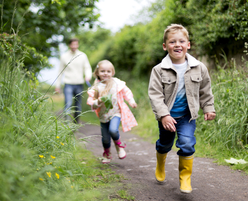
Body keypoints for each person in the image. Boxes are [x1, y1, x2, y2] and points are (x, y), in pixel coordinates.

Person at [148, 24, 216, 194]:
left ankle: (185, 178)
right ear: (165, 46)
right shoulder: (158, 70)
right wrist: (163, 115)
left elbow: (205, 90)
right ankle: (160, 164)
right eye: (172, 42)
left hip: (187, 116)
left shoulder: (199, 67)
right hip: (168, 116)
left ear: (188, 44)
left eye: (181, 41)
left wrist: (208, 108)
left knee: (186, 143)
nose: (177, 44)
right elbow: (155, 95)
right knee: (165, 144)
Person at [87, 60, 138, 164]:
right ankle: (107, 154)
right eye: (102, 71)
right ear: (97, 73)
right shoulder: (96, 87)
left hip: (116, 112)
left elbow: (126, 92)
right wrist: (99, 101)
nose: (105, 73)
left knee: (113, 130)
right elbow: (91, 102)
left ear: (112, 73)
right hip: (103, 115)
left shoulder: (117, 83)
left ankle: (120, 146)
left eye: (108, 71)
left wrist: (131, 101)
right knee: (105, 139)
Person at [55, 38, 92, 123]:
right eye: (73, 44)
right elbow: (60, 72)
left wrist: (87, 76)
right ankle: (67, 124)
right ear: (69, 45)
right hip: (68, 83)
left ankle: (75, 124)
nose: (74, 46)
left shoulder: (82, 55)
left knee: (78, 106)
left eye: (76, 44)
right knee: (68, 104)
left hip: (79, 83)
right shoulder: (64, 56)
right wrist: (57, 86)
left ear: (78, 45)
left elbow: (87, 67)